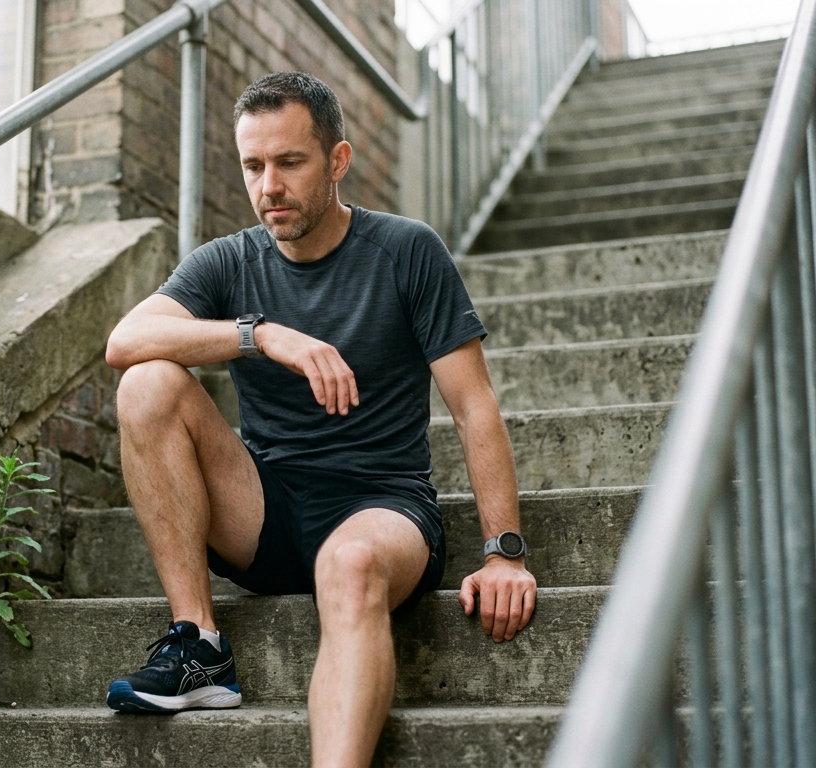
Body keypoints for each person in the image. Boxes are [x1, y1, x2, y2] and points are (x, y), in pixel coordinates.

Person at [101, 71, 537, 767]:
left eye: (289, 162)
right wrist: (262, 335)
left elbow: (474, 404)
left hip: (382, 508)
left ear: (337, 161)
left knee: (351, 562)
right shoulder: (229, 261)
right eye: (253, 165)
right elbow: (125, 343)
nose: (268, 186)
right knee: (147, 384)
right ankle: (199, 642)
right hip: (267, 507)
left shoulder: (405, 251)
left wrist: (503, 552)